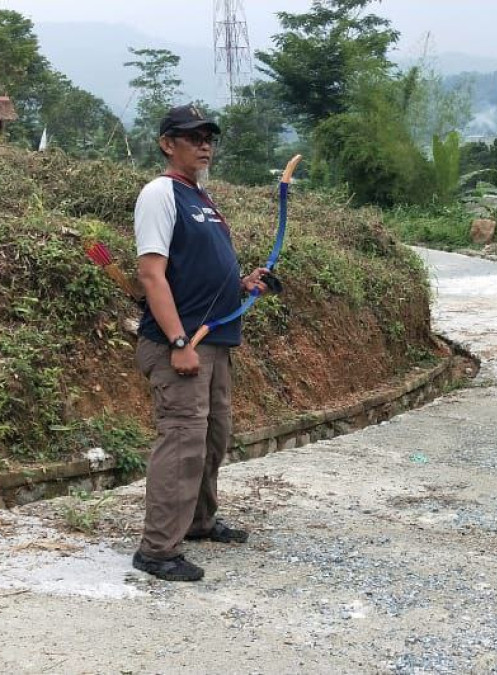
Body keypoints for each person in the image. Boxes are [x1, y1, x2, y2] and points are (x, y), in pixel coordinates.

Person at [131, 104, 271, 581]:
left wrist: (243, 283)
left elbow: (198, 272)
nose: (204, 144)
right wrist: (177, 341)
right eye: (193, 137)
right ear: (167, 144)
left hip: (214, 341)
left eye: (209, 137)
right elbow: (152, 275)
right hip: (181, 344)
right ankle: (156, 550)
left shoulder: (202, 198)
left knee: (212, 437)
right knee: (182, 441)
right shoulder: (160, 193)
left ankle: (197, 522)